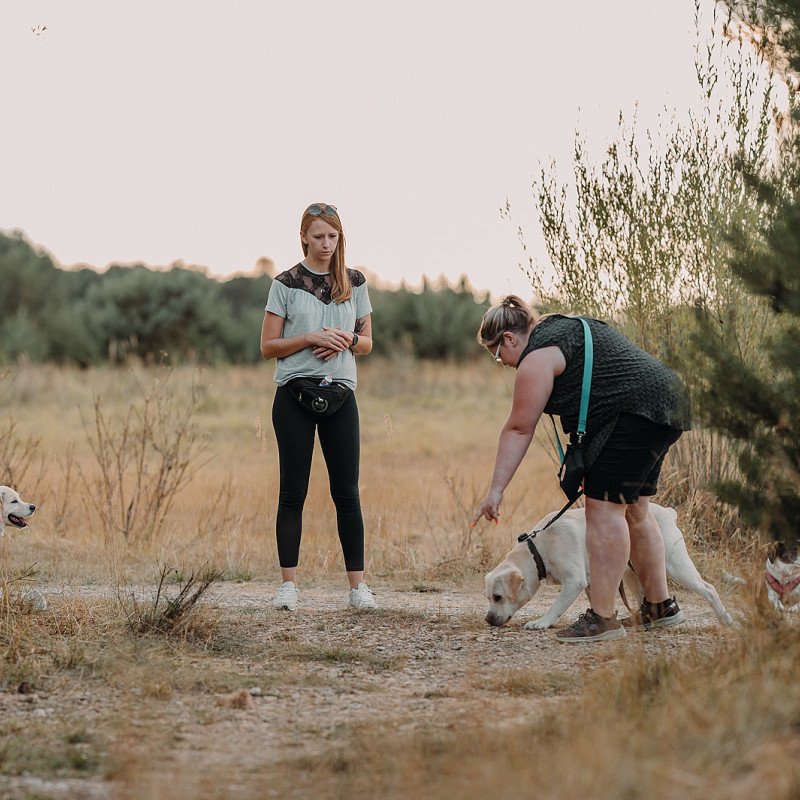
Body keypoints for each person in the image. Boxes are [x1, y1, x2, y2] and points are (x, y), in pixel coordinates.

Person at [471, 295, 691, 642]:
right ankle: (659, 607)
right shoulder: (560, 326)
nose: (505, 364)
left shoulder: (535, 356)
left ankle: (602, 619)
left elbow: (518, 428)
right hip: (667, 399)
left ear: (510, 339)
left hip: (635, 413)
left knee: (603, 510)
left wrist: (495, 490)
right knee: (635, 508)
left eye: (498, 356)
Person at [260, 203, 376, 612]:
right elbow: (268, 346)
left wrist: (346, 339)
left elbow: (367, 343)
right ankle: (288, 587)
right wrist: (311, 338)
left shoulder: (354, 282)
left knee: (347, 492)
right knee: (293, 492)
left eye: (333, 236)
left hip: (342, 394)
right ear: (304, 237)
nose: (327, 244)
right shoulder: (285, 283)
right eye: (319, 236)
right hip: (293, 394)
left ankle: (358, 590)